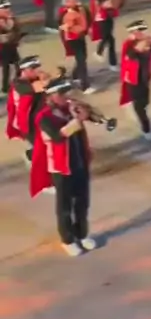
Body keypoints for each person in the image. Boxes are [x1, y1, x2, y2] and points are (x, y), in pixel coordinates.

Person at [30, 76, 97, 257]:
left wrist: (86, 111)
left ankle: (82, 234)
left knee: (82, 202)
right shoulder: (43, 117)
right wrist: (77, 120)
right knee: (65, 206)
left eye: (66, 92)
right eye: (61, 93)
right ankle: (67, 239)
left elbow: (90, 117)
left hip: (80, 162)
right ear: (51, 96)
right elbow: (59, 136)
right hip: (61, 167)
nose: (66, 96)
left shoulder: (70, 109)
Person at [119, 20, 151, 139]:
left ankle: (141, 115)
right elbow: (132, 54)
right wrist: (145, 42)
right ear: (135, 32)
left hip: (145, 79)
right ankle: (146, 129)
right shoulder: (128, 44)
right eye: (142, 30)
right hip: (134, 80)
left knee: (145, 103)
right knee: (139, 107)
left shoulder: (147, 42)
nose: (145, 33)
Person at [6, 55, 46, 166]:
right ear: (24, 70)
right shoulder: (18, 84)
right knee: (43, 147)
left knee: (46, 145)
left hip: (39, 119)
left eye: (37, 68)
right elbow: (38, 87)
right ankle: (31, 155)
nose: (36, 71)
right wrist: (47, 80)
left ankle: (32, 154)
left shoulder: (35, 80)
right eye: (33, 69)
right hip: (27, 123)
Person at [58, 0, 94, 93]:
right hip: (72, 38)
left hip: (80, 37)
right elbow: (61, 25)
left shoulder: (81, 8)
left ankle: (76, 76)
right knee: (81, 60)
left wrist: (88, 30)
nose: (75, 0)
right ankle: (85, 86)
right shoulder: (65, 12)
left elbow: (88, 19)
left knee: (82, 58)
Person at [90, 0, 120, 70]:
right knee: (106, 37)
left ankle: (112, 62)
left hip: (108, 16)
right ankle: (99, 52)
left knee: (111, 39)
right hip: (101, 17)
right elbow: (100, 5)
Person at [0, 0, 22, 97]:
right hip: (3, 48)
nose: (7, 9)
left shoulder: (11, 18)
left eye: (8, 7)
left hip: (11, 46)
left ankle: (17, 83)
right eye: (4, 8)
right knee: (6, 68)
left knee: (18, 65)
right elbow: (8, 29)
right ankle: (5, 87)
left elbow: (17, 30)